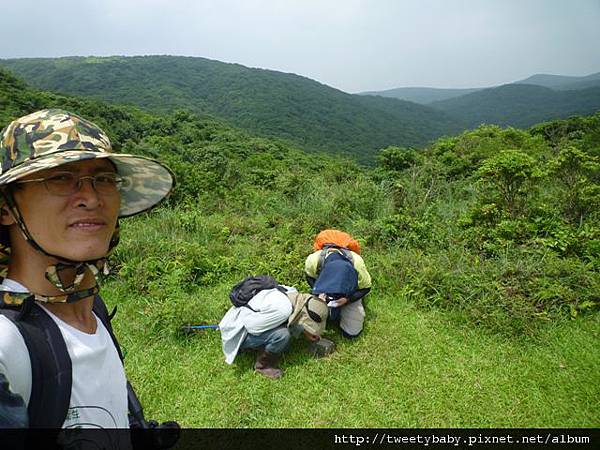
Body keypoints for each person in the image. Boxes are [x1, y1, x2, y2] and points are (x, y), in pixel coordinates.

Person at [0, 109, 175, 429]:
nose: (91, 198)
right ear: (6, 208)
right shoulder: (7, 344)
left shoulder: (90, 308)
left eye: (104, 179)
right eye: (61, 177)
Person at [219, 286, 328, 379]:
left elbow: (295, 316)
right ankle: (262, 366)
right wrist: (286, 328)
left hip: (246, 321)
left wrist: (305, 331)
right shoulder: (283, 310)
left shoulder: (292, 293)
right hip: (239, 331)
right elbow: (253, 328)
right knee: (283, 335)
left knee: (283, 334)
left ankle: (263, 347)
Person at [305, 230, 372, 338]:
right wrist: (318, 294)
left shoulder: (356, 263)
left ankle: (339, 314)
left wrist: (348, 299)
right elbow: (309, 277)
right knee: (312, 317)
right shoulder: (314, 260)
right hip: (323, 291)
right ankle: (329, 312)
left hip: (349, 293)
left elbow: (366, 288)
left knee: (352, 332)